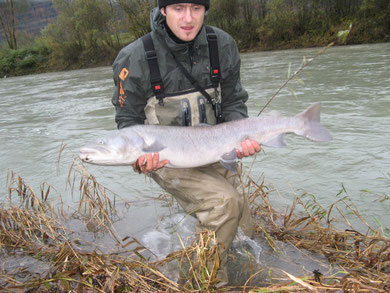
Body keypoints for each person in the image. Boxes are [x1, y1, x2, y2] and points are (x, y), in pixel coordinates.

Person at [112, 0, 261, 286]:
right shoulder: (134, 56)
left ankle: (241, 272)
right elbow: (127, 119)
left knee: (241, 219)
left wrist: (241, 138)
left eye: (196, 8)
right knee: (223, 204)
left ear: (206, 10)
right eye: (179, 8)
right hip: (167, 156)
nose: (189, 18)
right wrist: (141, 158)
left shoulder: (223, 44)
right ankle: (203, 283)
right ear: (163, 10)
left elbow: (233, 101)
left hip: (215, 146)